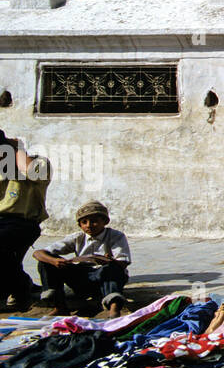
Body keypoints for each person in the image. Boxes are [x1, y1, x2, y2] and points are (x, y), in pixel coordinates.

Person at [32, 200, 131, 316]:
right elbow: (38, 253)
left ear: (104, 221)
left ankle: (114, 308)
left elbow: (123, 262)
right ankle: (59, 307)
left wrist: (109, 261)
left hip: (104, 278)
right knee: (45, 262)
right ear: (80, 225)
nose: (89, 225)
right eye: (84, 222)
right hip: (81, 278)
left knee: (112, 268)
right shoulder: (77, 237)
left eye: (94, 221)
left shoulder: (116, 236)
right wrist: (55, 261)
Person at [0, 131, 51, 312]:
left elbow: (34, 173)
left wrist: (16, 149)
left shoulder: (39, 163)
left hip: (21, 223)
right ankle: (19, 286)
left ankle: (20, 288)